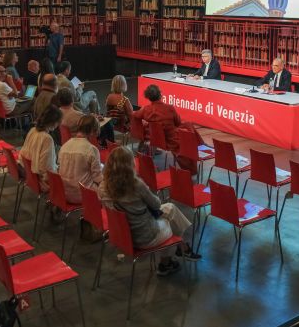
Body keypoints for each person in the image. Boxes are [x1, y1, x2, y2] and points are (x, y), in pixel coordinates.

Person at [99, 146, 201, 276]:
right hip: (145, 237)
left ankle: (178, 254)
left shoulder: (103, 187)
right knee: (170, 219)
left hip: (123, 234)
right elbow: (156, 204)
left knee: (170, 208)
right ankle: (176, 253)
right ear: (130, 164)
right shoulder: (135, 185)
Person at [134, 84, 205, 175]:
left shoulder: (145, 109)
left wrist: (145, 123)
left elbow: (135, 115)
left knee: (187, 125)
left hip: (156, 139)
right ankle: (199, 147)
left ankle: (199, 145)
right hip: (171, 139)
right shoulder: (169, 108)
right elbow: (178, 123)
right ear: (160, 95)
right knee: (188, 127)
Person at [58, 115, 102, 204]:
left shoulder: (64, 146)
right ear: (93, 131)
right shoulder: (91, 149)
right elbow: (98, 178)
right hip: (84, 194)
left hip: (64, 193)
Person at [18, 105, 61, 193]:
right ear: (54, 122)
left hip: (28, 173)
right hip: (40, 178)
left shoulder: (32, 130)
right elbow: (46, 168)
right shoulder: (47, 138)